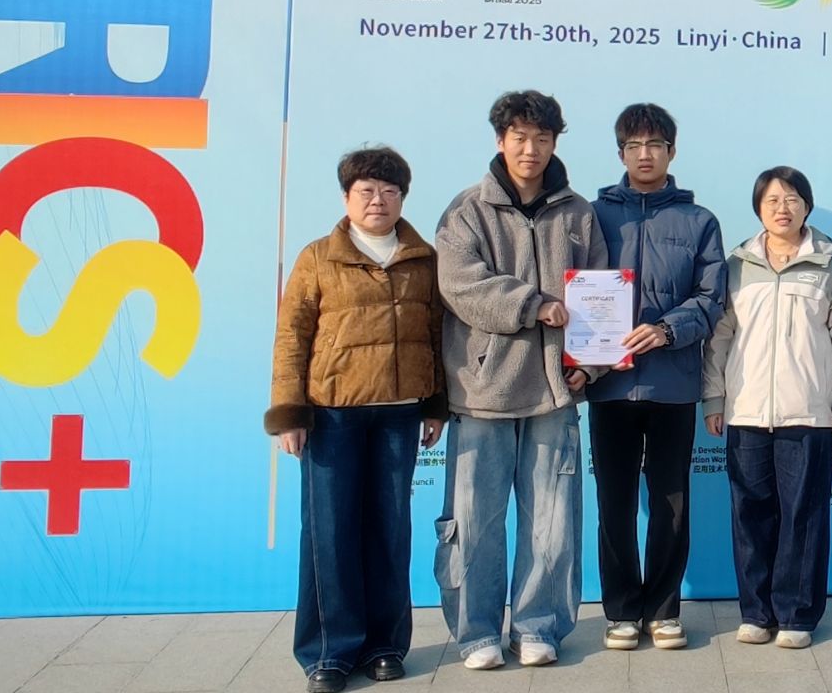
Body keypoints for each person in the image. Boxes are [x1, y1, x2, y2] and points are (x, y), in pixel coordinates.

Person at [434, 90, 609, 670]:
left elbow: (600, 292)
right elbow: (460, 285)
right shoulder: (467, 209)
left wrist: (590, 363)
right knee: (473, 522)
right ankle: (476, 632)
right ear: (500, 140)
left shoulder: (578, 213)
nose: (530, 149)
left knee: (552, 523)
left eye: (542, 138)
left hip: (556, 393)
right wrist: (533, 304)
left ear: (555, 143)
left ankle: (538, 626)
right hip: (481, 391)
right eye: (519, 137)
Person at [265, 146, 446, 693]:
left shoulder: (423, 259)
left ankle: (386, 645)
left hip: (398, 415)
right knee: (330, 533)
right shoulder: (318, 257)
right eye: (366, 190)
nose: (378, 200)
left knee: (390, 530)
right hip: (332, 416)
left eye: (390, 191)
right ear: (346, 198)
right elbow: (291, 337)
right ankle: (329, 651)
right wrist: (290, 412)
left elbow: (436, 334)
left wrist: (435, 403)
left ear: (403, 198)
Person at [703, 166, 832, 649]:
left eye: (793, 199)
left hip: (809, 412)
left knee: (804, 514)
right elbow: (719, 338)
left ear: (806, 207)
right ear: (759, 208)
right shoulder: (738, 265)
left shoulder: (831, 263)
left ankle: (797, 615)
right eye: (773, 200)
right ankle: (756, 612)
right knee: (749, 513)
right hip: (747, 411)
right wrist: (714, 397)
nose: (783, 208)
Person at [586, 103, 726, 652]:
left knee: (671, 501)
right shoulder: (592, 215)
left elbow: (712, 298)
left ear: (672, 151)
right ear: (620, 152)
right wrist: (584, 359)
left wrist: (667, 330)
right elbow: (576, 292)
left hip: (673, 384)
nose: (644, 155)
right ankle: (621, 611)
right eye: (634, 146)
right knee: (614, 501)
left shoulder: (700, 221)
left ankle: (665, 610)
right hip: (609, 384)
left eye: (655, 145)